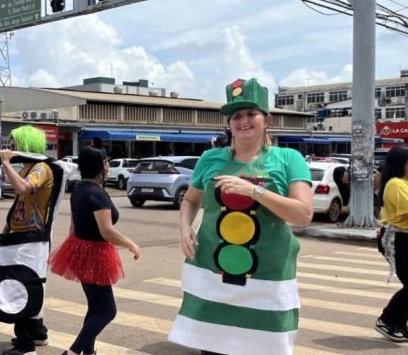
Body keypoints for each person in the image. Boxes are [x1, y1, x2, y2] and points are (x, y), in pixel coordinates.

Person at [168, 78, 313, 355]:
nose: (243, 121)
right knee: (212, 349)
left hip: (266, 280)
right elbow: (190, 200)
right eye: (236, 115)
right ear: (229, 124)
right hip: (213, 275)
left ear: (267, 120)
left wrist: (255, 191)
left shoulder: (288, 158)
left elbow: (303, 213)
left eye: (250, 113)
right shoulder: (210, 158)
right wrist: (185, 228)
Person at [50, 146, 140, 355]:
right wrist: (131, 244)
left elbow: (73, 225)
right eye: (106, 161)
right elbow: (107, 231)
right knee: (108, 311)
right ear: (101, 166)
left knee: (95, 307)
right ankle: (72, 352)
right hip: (95, 255)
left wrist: (74, 250)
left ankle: (88, 351)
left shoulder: (79, 190)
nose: (108, 165)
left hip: (80, 250)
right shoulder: (97, 194)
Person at [0, 125, 53, 355]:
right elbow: (18, 203)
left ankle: (26, 345)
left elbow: (23, 189)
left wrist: (5, 163)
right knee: (31, 286)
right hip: (20, 234)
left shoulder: (41, 168)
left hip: (32, 237)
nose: (11, 148)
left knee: (22, 288)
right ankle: (37, 332)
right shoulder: (26, 168)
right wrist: (6, 229)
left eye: (14, 144)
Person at [374, 145, 408, 342]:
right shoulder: (396, 184)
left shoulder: (406, 182)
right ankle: (388, 320)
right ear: (401, 164)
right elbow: (407, 212)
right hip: (397, 240)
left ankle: (398, 322)